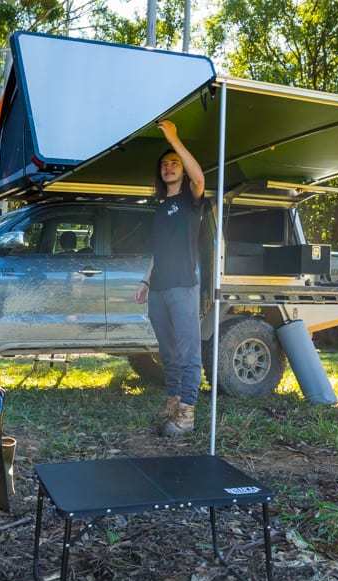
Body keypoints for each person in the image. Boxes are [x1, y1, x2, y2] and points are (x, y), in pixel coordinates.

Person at [134, 120, 206, 437]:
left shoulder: (191, 201)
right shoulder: (160, 208)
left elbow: (199, 177)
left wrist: (174, 139)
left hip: (183, 287)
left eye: (174, 163)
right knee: (169, 353)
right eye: (164, 164)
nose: (169, 167)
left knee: (189, 353)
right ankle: (173, 400)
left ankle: (187, 412)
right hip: (158, 290)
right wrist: (145, 281)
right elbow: (157, 252)